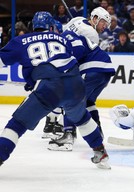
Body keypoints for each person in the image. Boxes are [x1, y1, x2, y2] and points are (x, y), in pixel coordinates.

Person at [0, 11, 110, 169]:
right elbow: (86, 47)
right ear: (52, 26)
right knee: (82, 118)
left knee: (17, 124)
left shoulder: (21, 41)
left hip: (48, 85)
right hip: (75, 82)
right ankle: (100, 152)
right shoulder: (63, 37)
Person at [46, 7, 115, 151]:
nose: (105, 27)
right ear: (94, 18)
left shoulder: (78, 22)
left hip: (92, 69)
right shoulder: (89, 31)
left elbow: (78, 52)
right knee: (88, 101)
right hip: (105, 70)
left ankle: (68, 135)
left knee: (70, 98)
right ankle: (97, 132)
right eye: (103, 22)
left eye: (107, 24)